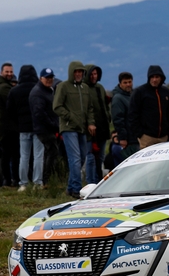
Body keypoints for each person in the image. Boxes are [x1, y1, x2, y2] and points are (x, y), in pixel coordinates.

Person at [53, 60, 95, 198]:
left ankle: (70, 187)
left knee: (82, 157)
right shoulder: (63, 86)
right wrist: (70, 117)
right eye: (76, 71)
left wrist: (91, 123)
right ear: (71, 72)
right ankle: (77, 189)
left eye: (80, 71)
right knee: (75, 158)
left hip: (82, 128)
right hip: (68, 127)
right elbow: (57, 106)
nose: (78, 74)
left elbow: (90, 108)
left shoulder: (85, 88)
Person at [7, 65, 41, 191]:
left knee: (24, 156)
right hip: (37, 127)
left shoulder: (14, 91)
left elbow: (9, 111)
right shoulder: (38, 89)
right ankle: (37, 182)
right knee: (38, 156)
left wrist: (18, 124)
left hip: (23, 128)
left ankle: (23, 183)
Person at [129, 65, 169, 149]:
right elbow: (133, 114)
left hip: (164, 137)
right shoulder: (140, 92)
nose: (154, 79)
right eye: (152, 77)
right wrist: (140, 134)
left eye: (157, 77)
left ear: (161, 78)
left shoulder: (166, 92)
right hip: (147, 138)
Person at [29, 67, 60, 187]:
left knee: (49, 153)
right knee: (51, 152)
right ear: (40, 78)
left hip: (47, 128)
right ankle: (46, 180)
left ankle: (46, 179)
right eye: (46, 78)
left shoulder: (48, 90)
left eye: (51, 77)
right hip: (43, 129)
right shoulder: (38, 93)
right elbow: (39, 113)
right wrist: (53, 124)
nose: (49, 80)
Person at [0, 63, 19, 187]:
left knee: (6, 154)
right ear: (1, 72)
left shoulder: (2, 86)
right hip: (8, 127)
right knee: (12, 155)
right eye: (7, 71)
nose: (9, 74)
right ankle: (12, 180)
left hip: (5, 126)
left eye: (11, 71)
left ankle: (8, 180)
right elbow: (14, 103)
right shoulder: (3, 88)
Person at [83, 64, 110, 184]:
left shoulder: (100, 87)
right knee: (90, 157)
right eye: (91, 74)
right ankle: (90, 182)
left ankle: (99, 181)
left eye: (95, 74)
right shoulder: (84, 89)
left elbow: (105, 105)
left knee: (101, 156)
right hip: (90, 130)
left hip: (102, 127)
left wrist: (108, 116)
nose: (94, 76)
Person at [111, 72, 139, 159]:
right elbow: (118, 120)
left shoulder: (133, 95)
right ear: (120, 84)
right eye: (125, 82)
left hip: (137, 137)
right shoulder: (118, 99)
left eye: (130, 82)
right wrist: (123, 138)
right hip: (128, 141)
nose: (128, 85)